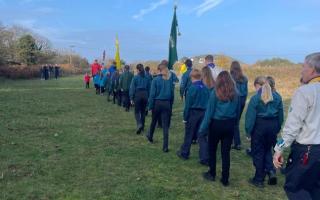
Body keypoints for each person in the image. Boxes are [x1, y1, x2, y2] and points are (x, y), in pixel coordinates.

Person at [273, 53, 320, 200]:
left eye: (304, 66)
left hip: (307, 151)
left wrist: (278, 149)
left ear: (312, 69)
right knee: (316, 189)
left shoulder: (305, 91)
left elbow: (292, 127)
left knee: (296, 189)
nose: (301, 70)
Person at [198, 71, 240, 187]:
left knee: (212, 150)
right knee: (225, 153)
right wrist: (235, 123)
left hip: (216, 125)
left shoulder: (215, 93)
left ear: (219, 80)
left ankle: (212, 173)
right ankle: (225, 178)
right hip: (229, 124)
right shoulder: (235, 94)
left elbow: (209, 113)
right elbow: (237, 111)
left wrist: (202, 129)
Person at [245, 76, 284, 188]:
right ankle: (270, 171)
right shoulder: (278, 97)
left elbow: (250, 117)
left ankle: (258, 179)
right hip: (273, 126)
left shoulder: (255, 98)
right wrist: (278, 127)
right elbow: (281, 115)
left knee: (258, 152)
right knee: (267, 149)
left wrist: (248, 131)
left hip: (260, 126)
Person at [177, 69, 210, 163]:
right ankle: (204, 157)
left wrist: (185, 117)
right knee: (202, 135)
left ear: (192, 77)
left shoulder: (191, 88)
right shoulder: (206, 88)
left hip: (193, 113)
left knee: (189, 134)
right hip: (204, 113)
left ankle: (184, 153)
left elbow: (188, 105)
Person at [146, 63, 174, 153]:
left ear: (159, 70)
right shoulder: (169, 80)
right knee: (165, 126)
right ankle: (165, 146)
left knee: (154, 121)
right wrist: (171, 104)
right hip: (167, 103)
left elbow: (152, 94)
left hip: (157, 103)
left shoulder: (155, 80)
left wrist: (150, 106)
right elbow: (172, 94)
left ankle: (150, 136)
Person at [230, 61, 248, 150]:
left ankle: (237, 143)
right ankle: (235, 141)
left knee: (234, 122)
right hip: (242, 101)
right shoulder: (244, 78)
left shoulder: (231, 77)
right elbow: (246, 92)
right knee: (235, 122)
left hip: (235, 101)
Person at [129, 64, 151, 134]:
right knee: (143, 112)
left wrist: (131, 98)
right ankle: (143, 126)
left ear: (137, 70)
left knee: (136, 111)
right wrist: (149, 97)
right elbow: (149, 88)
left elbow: (132, 88)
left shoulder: (135, 78)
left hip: (138, 94)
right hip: (145, 94)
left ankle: (139, 124)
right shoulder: (147, 77)